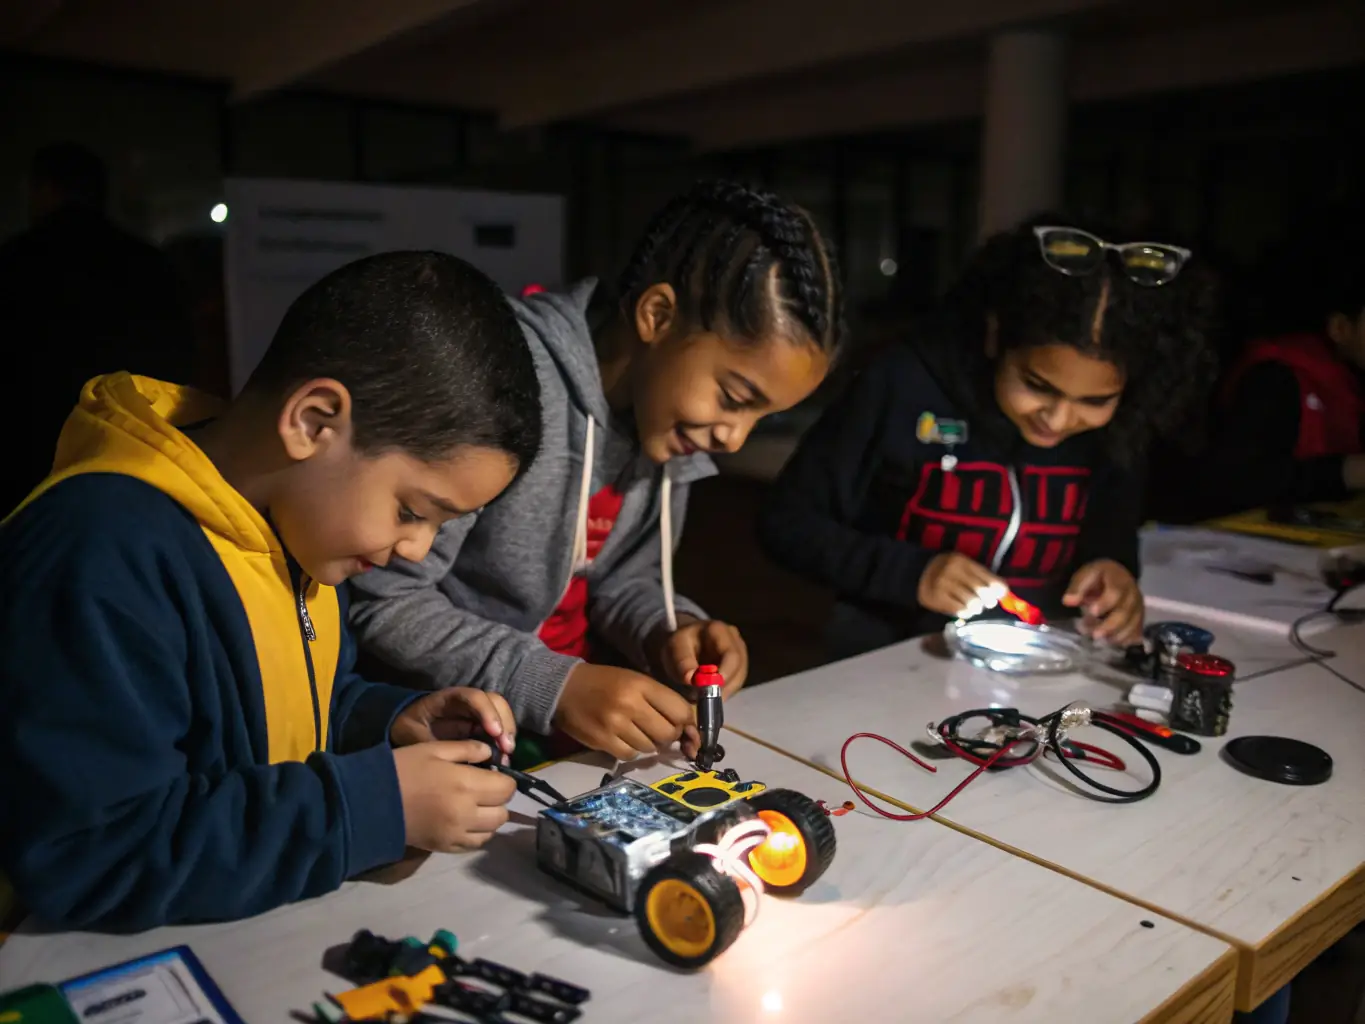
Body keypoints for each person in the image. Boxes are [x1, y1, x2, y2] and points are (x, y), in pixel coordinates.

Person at [0, 252, 541, 930]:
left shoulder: (294, 531)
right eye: (412, 509)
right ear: (314, 421)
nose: (418, 549)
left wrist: (383, 721)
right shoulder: (99, 552)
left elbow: (274, 715)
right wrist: (374, 807)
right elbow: (92, 850)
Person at [350, 180, 845, 763]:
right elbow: (383, 597)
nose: (734, 437)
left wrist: (670, 628)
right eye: (734, 397)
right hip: (436, 734)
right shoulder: (506, 382)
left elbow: (619, 577)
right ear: (657, 315)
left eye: (763, 417)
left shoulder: (666, 424)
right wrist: (553, 685)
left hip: (553, 722)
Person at [759, 217, 1217, 659]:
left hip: (1050, 658)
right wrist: (910, 574)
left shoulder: (1119, 429)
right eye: (1037, 386)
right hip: (889, 659)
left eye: (1095, 401)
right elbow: (787, 523)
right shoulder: (902, 385)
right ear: (997, 336)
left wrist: (1115, 571)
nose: (1058, 420)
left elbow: (1108, 532)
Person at [0, 142, 195, 516]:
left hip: (32, 458)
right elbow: (180, 362)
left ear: (45, 189)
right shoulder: (149, 265)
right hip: (136, 454)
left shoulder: (16, 262)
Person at [1155, 208, 1365, 521]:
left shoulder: (1354, 380)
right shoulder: (1278, 378)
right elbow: (1234, 482)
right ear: (1340, 329)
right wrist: (1349, 471)